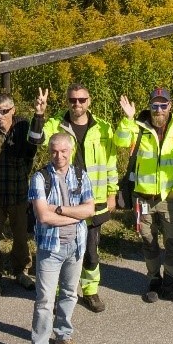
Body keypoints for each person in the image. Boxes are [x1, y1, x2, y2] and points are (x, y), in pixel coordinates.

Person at [39, 85, 118, 313]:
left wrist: (112, 192)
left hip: (93, 199)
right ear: (67, 101)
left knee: (91, 250)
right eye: (73, 100)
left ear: (89, 101)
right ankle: (56, 294)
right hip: (64, 198)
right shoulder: (56, 124)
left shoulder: (103, 127)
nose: (77, 104)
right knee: (60, 248)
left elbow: (110, 161)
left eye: (82, 100)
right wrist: (39, 114)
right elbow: (36, 139)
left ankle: (90, 291)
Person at [117, 88, 173, 303]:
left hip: (169, 198)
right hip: (142, 199)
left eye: (163, 105)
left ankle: (170, 284)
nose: (158, 110)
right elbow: (120, 142)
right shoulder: (138, 127)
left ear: (170, 106)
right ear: (149, 106)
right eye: (154, 105)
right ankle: (154, 280)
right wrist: (128, 119)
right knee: (148, 241)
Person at [26, 133, 97, 344]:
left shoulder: (81, 175)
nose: (59, 156)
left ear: (71, 151)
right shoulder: (40, 178)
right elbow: (43, 216)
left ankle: (63, 334)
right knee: (45, 300)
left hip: (76, 246)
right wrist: (73, 215)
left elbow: (89, 210)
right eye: (55, 151)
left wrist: (60, 210)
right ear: (49, 152)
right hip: (50, 249)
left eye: (64, 151)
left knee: (69, 294)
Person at [0, 90, 45, 296]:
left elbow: (37, 139)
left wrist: (39, 114)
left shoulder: (23, 131)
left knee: (21, 238)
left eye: (4, 111)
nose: (0, 116)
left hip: (19, 196)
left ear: (13, 110)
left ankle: (21, 272)